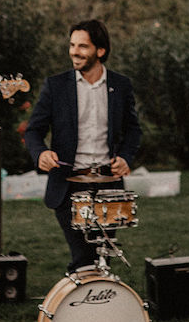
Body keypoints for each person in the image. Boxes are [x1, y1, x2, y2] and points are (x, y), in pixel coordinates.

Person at [23, 18, 142, 273]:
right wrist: (40, 153)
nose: (74, 52)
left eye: (82, 46)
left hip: (108, 186)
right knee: (84, 255)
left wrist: (126, 157)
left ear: (100, 51)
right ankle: (77, 305)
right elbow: (34, 130)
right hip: (68, 186)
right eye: (72, 45)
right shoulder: (55, 86)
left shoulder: (120, 86)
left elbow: (133, 129)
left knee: (102, 256)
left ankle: (94, 306)